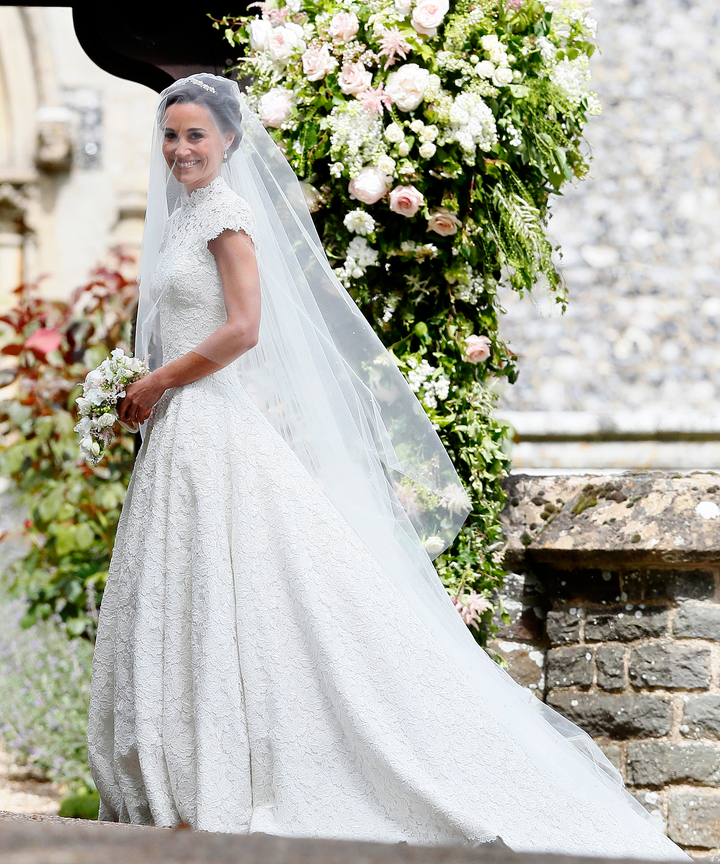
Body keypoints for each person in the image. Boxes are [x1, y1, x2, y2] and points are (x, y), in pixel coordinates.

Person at [87, 73, 686, 860]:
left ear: (230, 140)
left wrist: (160, 380)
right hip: (180, 433)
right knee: (190, 589)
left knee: (264, 590)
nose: (181, 149)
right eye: (171, 135)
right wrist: (127, 392)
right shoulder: (180, 221)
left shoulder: (228, 217)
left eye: (196, 135)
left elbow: (243, 328)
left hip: (214, 422)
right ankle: (182, 769)